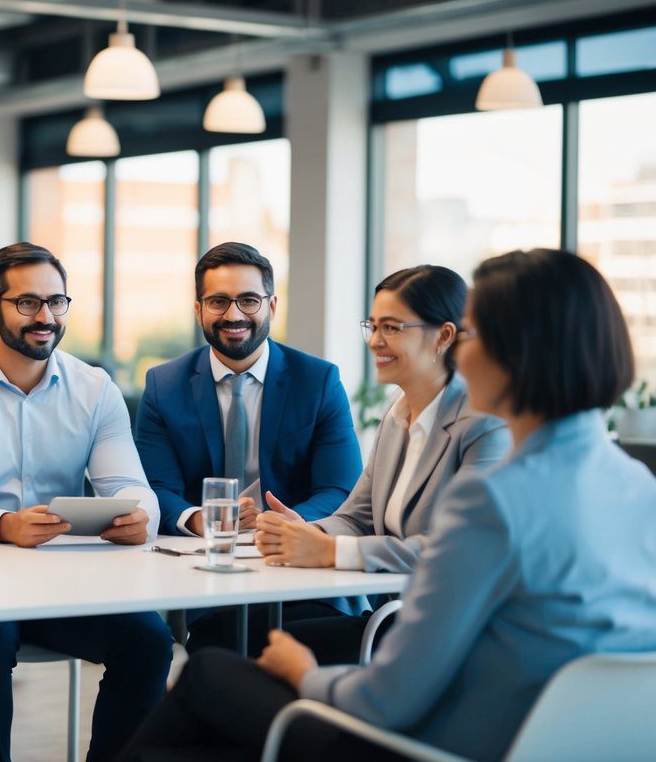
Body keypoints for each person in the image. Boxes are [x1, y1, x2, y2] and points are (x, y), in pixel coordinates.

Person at [119, 248, 656, 762]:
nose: (462, 352)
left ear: (519, 355)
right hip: (579, 740)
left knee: (211, 673)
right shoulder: (636, 482)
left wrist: (306, 673)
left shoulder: (494, 498)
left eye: (473, 334)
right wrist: (311, 538)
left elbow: (388, 698)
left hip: (446, 744)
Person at [0, 242, 173, 762]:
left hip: (62, 588)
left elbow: (131, 486)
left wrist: (139, 515)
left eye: (56, 302)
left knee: (150, 640)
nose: (45, 317)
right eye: (27, 303)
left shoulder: (95, 389)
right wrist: (3, 525)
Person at [255, 265, 510, 664]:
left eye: (391, 328)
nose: (375, 341)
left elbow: (457, 549)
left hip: (453, 636)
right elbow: (357, 516)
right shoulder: (397, 413)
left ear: (443, 336)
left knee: (237, 656)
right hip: (398, 621)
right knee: (234, 638)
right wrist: (305, 532)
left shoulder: (484, 424)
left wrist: (332, 551)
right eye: (372, 326)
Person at [134, 241, 364, 652]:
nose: (234, 314)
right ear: (198, 309)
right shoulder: (163, 385)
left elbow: (340, 487)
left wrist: (290, 524)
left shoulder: (319, 381)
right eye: (218, 301)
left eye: (248, 300)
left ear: (272, 306)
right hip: (203, 577)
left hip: (300, 575)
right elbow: (154, 488)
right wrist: (198, 519)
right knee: (217, 648)